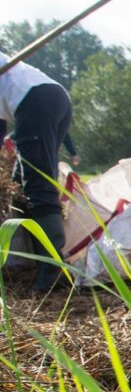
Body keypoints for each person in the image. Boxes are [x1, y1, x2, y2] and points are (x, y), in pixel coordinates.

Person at [0, 51, 75, 292]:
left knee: (37, 185)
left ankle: (53, 269)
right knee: (20, 184)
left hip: (36, 101)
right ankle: (34, 261)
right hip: (51, 97)